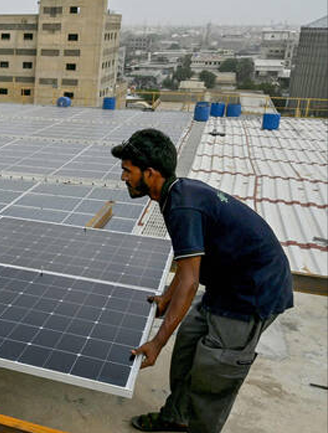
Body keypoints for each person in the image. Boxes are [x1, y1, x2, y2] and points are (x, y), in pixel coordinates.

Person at [110, 129, 293, 433]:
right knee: (187, 348)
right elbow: (188, 262)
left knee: (214, 371)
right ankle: (175, 419)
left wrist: (156, 342)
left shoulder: (182, 205)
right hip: (225, 282)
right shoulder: (173, 194)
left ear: (150, 173)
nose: (123, 178)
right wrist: (167, 298)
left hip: (252, 293)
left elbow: (190, 282)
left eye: (128, 171)